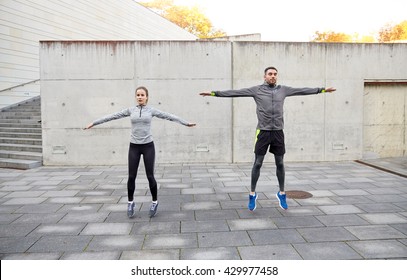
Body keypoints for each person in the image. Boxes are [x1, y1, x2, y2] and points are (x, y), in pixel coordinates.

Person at [200, 66, 336, 211]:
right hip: (263, 132)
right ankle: (252, 194)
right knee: (258, 163)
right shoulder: (256, 90)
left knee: (280, 163)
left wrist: (322, 90)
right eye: (270, 74)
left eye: (275, 74)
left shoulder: (283, 90)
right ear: (264, 76)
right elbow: (235, 93)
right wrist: (213, 93)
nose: (273, 76)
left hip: (278, 132)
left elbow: (302, 90)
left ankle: (282, 193)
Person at [84, 86, 196, 218]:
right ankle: (130, 202)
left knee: (150, 176)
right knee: (131, 177)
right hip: (134, 147)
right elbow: (112, 117)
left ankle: (154, 202)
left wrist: (186, 123)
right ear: (136, 97)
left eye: (142, 95)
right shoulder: (130, 110)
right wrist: (94, 123)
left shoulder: (151, 110)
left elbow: (169, 116)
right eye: (138, 95)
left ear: (147, 97)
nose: (140, 97)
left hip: (148, 146)